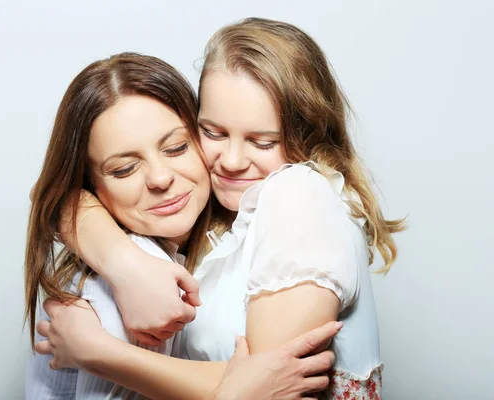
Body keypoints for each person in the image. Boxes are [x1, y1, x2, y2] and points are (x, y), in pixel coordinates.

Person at [37, 18, 405, 398]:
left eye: (263, 141)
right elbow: (53, 197)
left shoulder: (298, 191)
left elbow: (263, 388)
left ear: (309, 134)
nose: (230, 160)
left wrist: (96, 352)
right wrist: (128, 266)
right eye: (212, 132)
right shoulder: (217, 212)